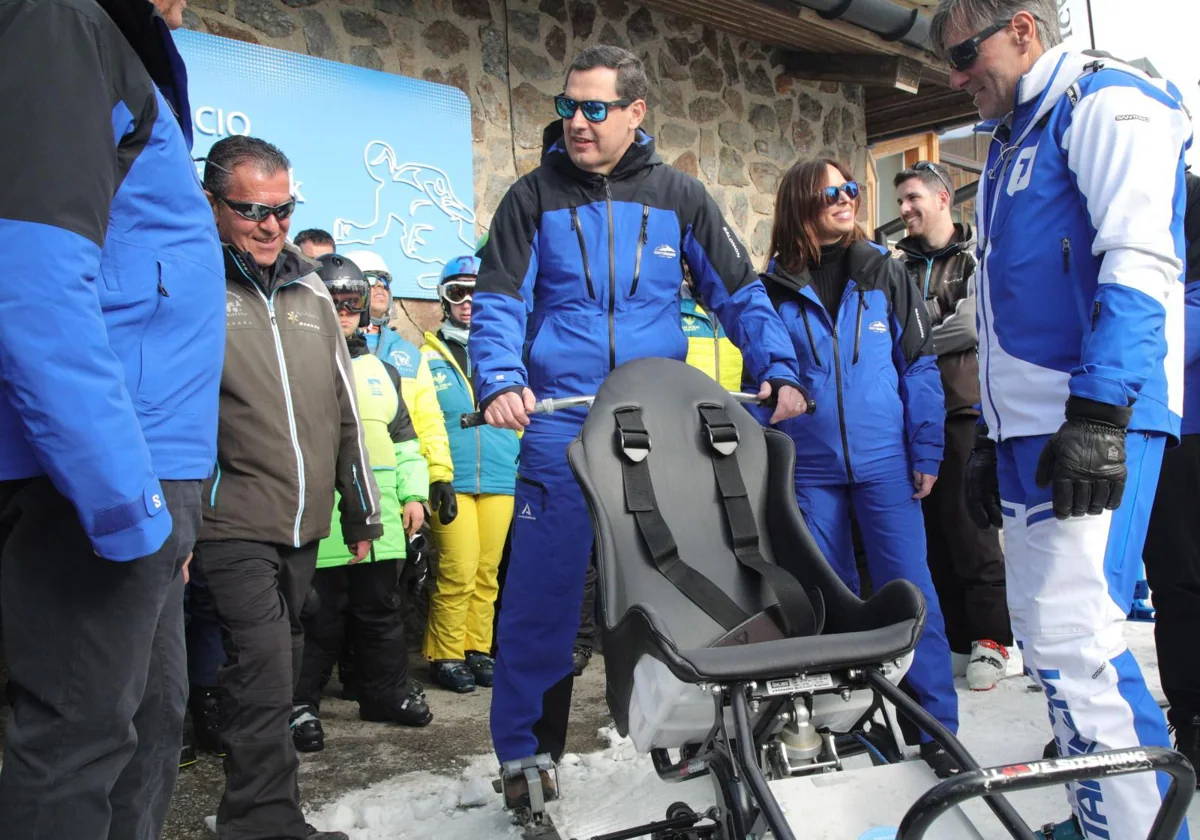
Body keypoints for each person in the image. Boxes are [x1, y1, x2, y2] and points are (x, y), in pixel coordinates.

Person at [471, 44, 810, 802]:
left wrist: (779, 367)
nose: (577, 122)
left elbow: (739, 293)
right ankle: (527, 754)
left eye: (595, 108)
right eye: (568, 106)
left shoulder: (679, 196)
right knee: (542, 599)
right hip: (561, 423)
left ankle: (698, 722)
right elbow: (497, 301)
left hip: (654, 425)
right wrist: (499, 378)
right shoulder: (530, 199)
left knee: (684, 577)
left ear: (635, 112)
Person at [931, 2, 1192, 837]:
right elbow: (1001, 300)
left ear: (1022, 29)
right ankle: (1099, 812)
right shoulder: (1012, 137)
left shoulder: (1104, 99)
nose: (954, 79)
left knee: (1082, 636)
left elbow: (1140, 258)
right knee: (1047, 642)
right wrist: (990, 432)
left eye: (963, 56)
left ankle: (1141, 828)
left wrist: (1102, 411)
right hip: (1028, 429)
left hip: (1094, 417)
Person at [0, 0, 225, 836]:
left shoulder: (118, 42)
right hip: (89, 469)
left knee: (149, 724)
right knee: (77, 740)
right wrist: (123, 496)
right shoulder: (63, 21)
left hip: (147, 462)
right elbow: (32, 278)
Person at [195, 134, 382, 840]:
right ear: (214, 204)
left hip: (304, 521)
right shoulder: (195, 281)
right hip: (228, 517)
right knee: (265, 667)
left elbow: (343, 406)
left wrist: (361, 508)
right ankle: (265, 824)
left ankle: (254, 813)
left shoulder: (311, 291)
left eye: (282, 209)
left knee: (285, 662)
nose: (270, 225)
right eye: (252, 209)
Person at [759, 159, 958, 777]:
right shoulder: (770, 289)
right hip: (809, 471)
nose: (847, 199)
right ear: (801, 204)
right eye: (832, 193)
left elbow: (918, 365)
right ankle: (844, 725)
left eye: (850, 189)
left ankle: (934, 730)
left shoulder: (885, 272)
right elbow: (762, 382)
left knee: (912, 592)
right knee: (828, 599)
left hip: (886, 464)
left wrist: (926, 449)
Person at [292, 253, 432, 752]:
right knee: (317, 616)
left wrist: (415, 494)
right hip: (324, 519)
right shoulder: (295, 365)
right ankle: (299, 704)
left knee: (381, 611)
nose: (345, 312)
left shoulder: (383, 371)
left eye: (352, 301)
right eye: (334, 302)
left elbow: (405, 441)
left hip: (382, 516)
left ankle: (385, 694)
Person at [893, 162, 1012, 691]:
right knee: (933, 532)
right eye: (900, 201)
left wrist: (912, 344)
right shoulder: (895, 267)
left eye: (913, 198)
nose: (904, 209)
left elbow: (970, 325)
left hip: (963, 410)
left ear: (943, 198)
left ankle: (993, 639)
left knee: (970, 527)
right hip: (910, 418)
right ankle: (959, 640)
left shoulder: (974, 256)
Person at [421, 257, 520, 693]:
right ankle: (446, 653)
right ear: (443, 299)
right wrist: (433, 473)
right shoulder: (427, 356)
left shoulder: (507, 352)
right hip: (453, 478)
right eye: (457, 292)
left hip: (500, 473)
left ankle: (477, 648)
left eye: (476, 292)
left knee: (487, 572)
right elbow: (422, 418)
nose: (467, 301)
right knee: (457, 570)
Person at [1142, 168, 1200, 778]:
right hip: (1167, 438)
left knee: (1181, 586)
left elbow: (1167, 344)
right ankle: (1192, 715)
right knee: (1177, 588)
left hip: (1181, 433)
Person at [344, 249, 458, 531]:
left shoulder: (408, 353)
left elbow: (429, 419)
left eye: (384, 281)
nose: (380, 287)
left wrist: (438, 475)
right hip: (348, 479)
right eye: (370, 280)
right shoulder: (333, 347)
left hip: (399, 485)